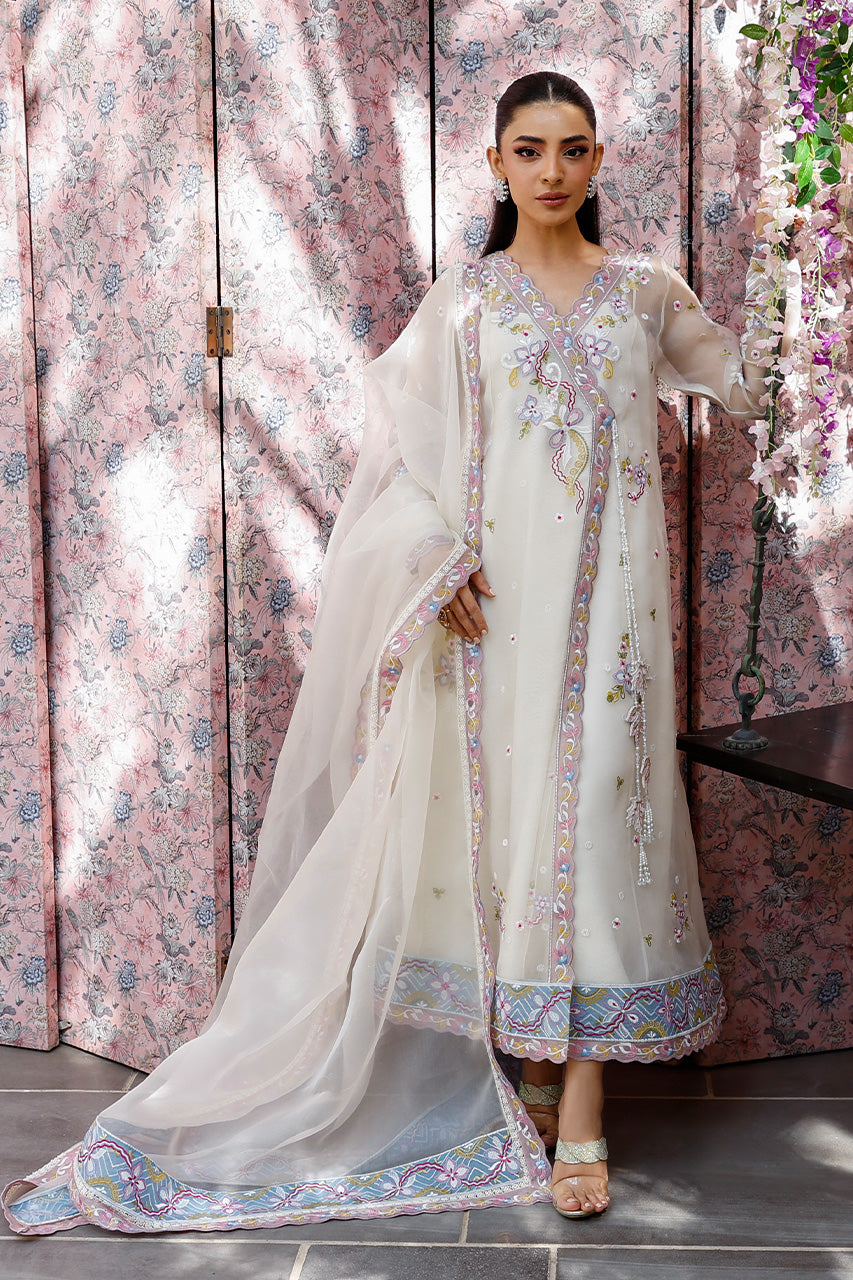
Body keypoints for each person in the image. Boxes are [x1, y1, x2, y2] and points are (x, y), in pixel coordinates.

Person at [4, 72, 791, 1235]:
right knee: (518, 834)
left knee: (594, 823)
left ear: (597, 160)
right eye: (530, 149)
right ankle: (534, 1059)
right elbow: (402, 463)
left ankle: (580, 1096)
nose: (553, 171)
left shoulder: (643, 293)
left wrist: (802, 291)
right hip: (494, 622)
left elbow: (749, 384)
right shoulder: (463, 306)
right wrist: (434, 560)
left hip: (615, 634)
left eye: (574, 149)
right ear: (495, 163)